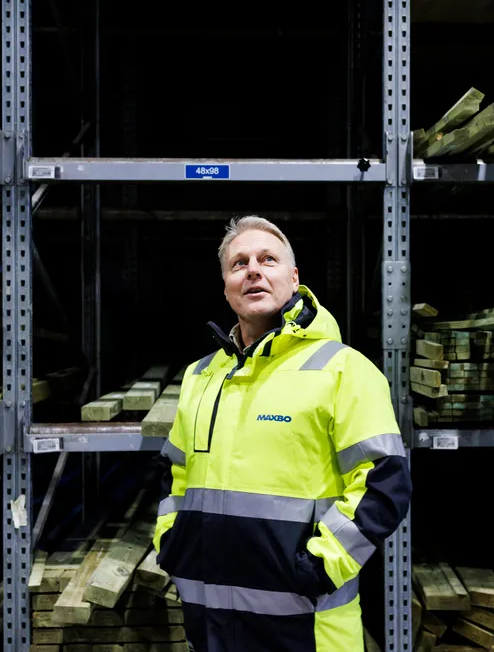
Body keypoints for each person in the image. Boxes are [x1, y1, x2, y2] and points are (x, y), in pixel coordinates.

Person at [153, 215, 413, 652]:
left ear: (294, 279)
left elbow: (383, 481)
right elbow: (174, 473)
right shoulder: (201, 376)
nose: (253, 270)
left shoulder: (342, 369)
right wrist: (171, 544)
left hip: (305, 626)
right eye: (239, 263)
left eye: (267, 259)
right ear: (226, 287)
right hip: (210, 623)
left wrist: (319, 568)